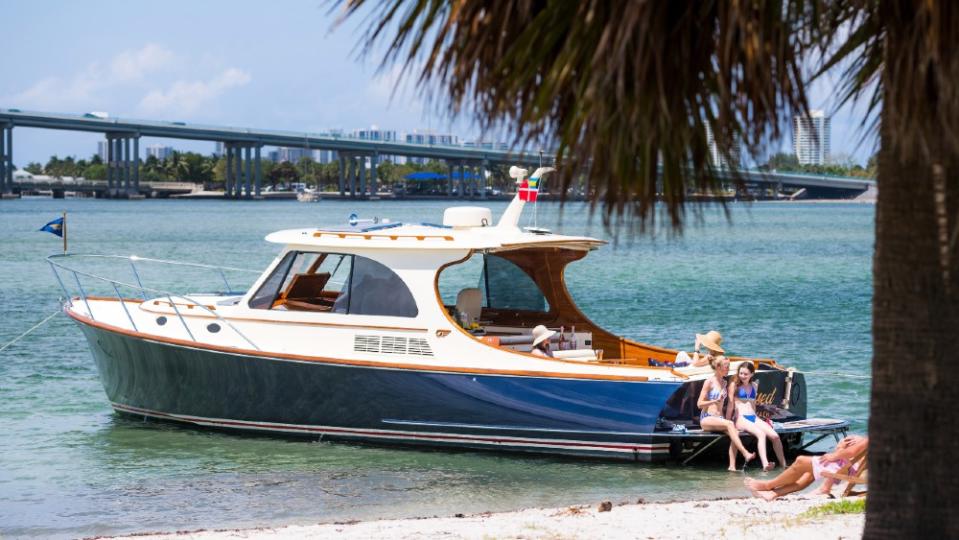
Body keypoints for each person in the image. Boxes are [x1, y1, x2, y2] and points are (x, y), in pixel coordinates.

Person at [744, 435, 868, 501]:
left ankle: (767, 486)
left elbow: (852, 452)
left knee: (800, 461)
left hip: (849, 468)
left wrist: (838, 450)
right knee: (808, 474)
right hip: (855, 468)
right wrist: (859, 440)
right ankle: (774, 493)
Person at [697, 354, 755, 471]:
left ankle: (732, 466)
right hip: (707, 418)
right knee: (729, 424)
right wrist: (714, 400)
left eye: (728, 366)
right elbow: (699, 404)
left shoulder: (724, 383)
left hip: (719, 419)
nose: (728, 369)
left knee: (734, 432)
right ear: (718, 367)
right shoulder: (709, 382)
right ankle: (745, 453)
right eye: (726, 367)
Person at [726, 362, 787, 471]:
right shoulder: (734, 385)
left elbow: (753, 404)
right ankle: (765, 464)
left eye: (746, 374)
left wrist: (757, 420)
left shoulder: (754, 385)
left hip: (753, 417)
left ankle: (783, 465)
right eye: (741, 373)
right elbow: (730, 405)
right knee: (761, 434)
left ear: (752, 374)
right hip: (741, 418)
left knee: (775, 436)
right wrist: (727, 422)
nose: (743, 376)